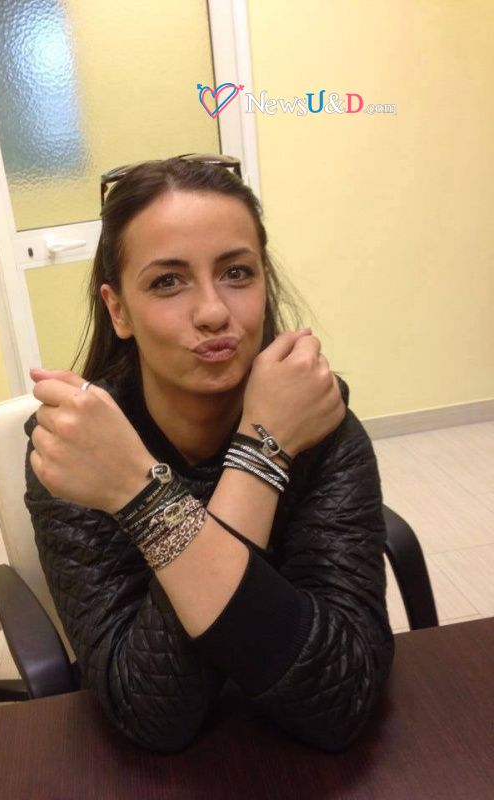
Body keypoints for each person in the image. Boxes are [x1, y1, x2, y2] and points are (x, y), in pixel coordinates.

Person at [23, 154, 394, 754]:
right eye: (167, 281)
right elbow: (153, 713)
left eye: (237, 273)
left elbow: (342, 698)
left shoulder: (320, 430)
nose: (214, 312)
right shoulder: (83, 449)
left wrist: (243, 458)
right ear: (118, 310)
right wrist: (257, 459)